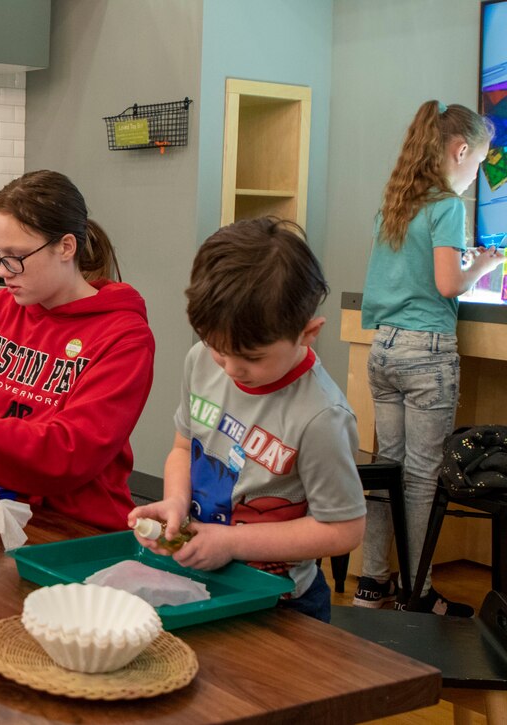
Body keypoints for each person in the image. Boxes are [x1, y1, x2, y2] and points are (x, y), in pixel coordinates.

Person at [128, 217, 366, 623]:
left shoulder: (321, 416)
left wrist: (232, 542)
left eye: (252, 357)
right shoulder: (200, 362)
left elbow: (343, 530)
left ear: (308, 333)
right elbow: (184, 447)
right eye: (218, 348)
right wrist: (174, 502)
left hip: (283, 604)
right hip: (205, 578)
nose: (230, 368)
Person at [0, 170, 155, 531]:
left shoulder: (123, 337)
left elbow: (68, 451)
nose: (3, 272)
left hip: (72, 525)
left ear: (66, 247)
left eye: (15, 256)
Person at [357, 100, 501, 616]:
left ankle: (372, 582)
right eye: (480, 163)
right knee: (420, 478)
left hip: (385, 349)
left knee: (387, 471)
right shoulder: (446, 207)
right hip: (427, 353)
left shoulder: (397, 202)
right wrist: (482, 267)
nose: (477, 176)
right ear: (460, 150)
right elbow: (446, 283)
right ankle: (417, 592)